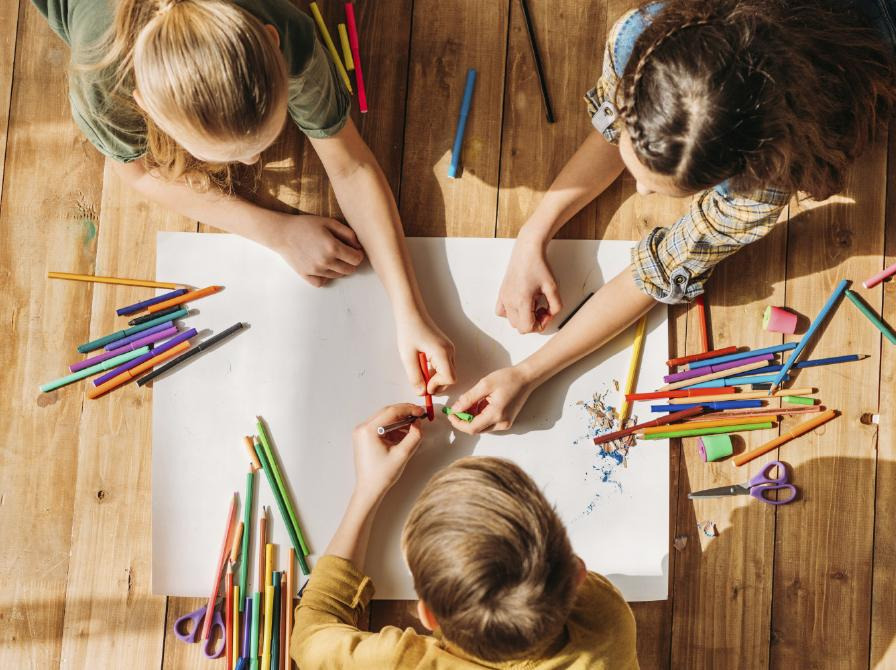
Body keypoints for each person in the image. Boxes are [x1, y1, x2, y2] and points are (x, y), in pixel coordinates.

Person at [448, 0, 896, 434]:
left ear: (744, 165)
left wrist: (528, 373)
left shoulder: (761, 184)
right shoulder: (636, 40)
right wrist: (532, 235)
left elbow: (662, 269)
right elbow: (613, 132)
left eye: (660, 186)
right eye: (640, 167)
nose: (640, 191)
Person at [32, 0, 455, 394]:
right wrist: (276, 232)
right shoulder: (104, 88)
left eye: (262, 139)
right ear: (144, 104)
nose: (253, 161)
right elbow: (140, 174)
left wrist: (410, 312)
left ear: (271, 40)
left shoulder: (288, 31)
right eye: (226, 155)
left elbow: (352, 166)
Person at [291, 403, 639, 668]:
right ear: (577, 572)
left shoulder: (400, 662)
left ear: (428, 616)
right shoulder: (606, 622)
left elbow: (309, 639)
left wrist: (368, 489)